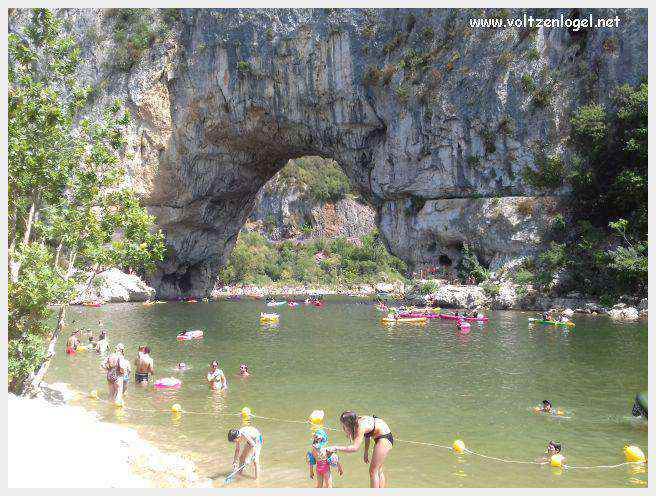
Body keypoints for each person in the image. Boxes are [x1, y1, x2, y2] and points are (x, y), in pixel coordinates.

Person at [326, 411, 393, 488]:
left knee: (373, 471)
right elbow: (368, 433)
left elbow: (355, 448)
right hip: (379, 437)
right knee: (378, 469)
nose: (343, 427)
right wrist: (366, 452)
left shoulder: (360, 426)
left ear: (349, 423)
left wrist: (335, 448)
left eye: (344, 425)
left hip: (385, 438)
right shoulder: (357, 420)